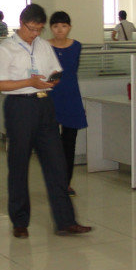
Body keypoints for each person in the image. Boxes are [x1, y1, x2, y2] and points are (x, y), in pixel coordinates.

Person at [0, 3, 92, 238]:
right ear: (21, 23)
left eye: (39, 30)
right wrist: (29, 82)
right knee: (19, 164)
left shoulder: (44, 46)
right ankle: (20, 222)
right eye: (31, 29)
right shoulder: (5, 50)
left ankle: (66, 221)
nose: (35, 34)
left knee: (56, 164)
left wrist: (52, 80)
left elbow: (56, 71)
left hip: (45, 105)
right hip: (20, 107)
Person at [48, 11, 88, 196]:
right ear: (51, 28)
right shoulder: (44, 46)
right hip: (50, 96)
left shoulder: (76, 46)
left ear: (69, 27)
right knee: (51, 143)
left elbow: (72, 70)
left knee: (69, 142)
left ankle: (66, 183)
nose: (60, 30)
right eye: (56, 26)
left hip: (71, 97)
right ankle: (55, 181)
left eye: (64, 26)